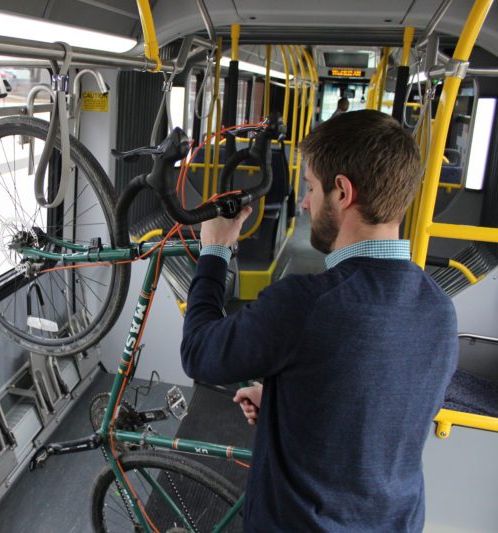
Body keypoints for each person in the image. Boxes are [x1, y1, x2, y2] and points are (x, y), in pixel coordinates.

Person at [181, 110, 458, 532]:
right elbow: (382, 410)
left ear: (343, 192)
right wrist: (286, 398)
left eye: (310, 187)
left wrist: (216, 250)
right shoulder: (440, 310)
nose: (306, 202)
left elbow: (199, 352)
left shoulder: (304, 305)